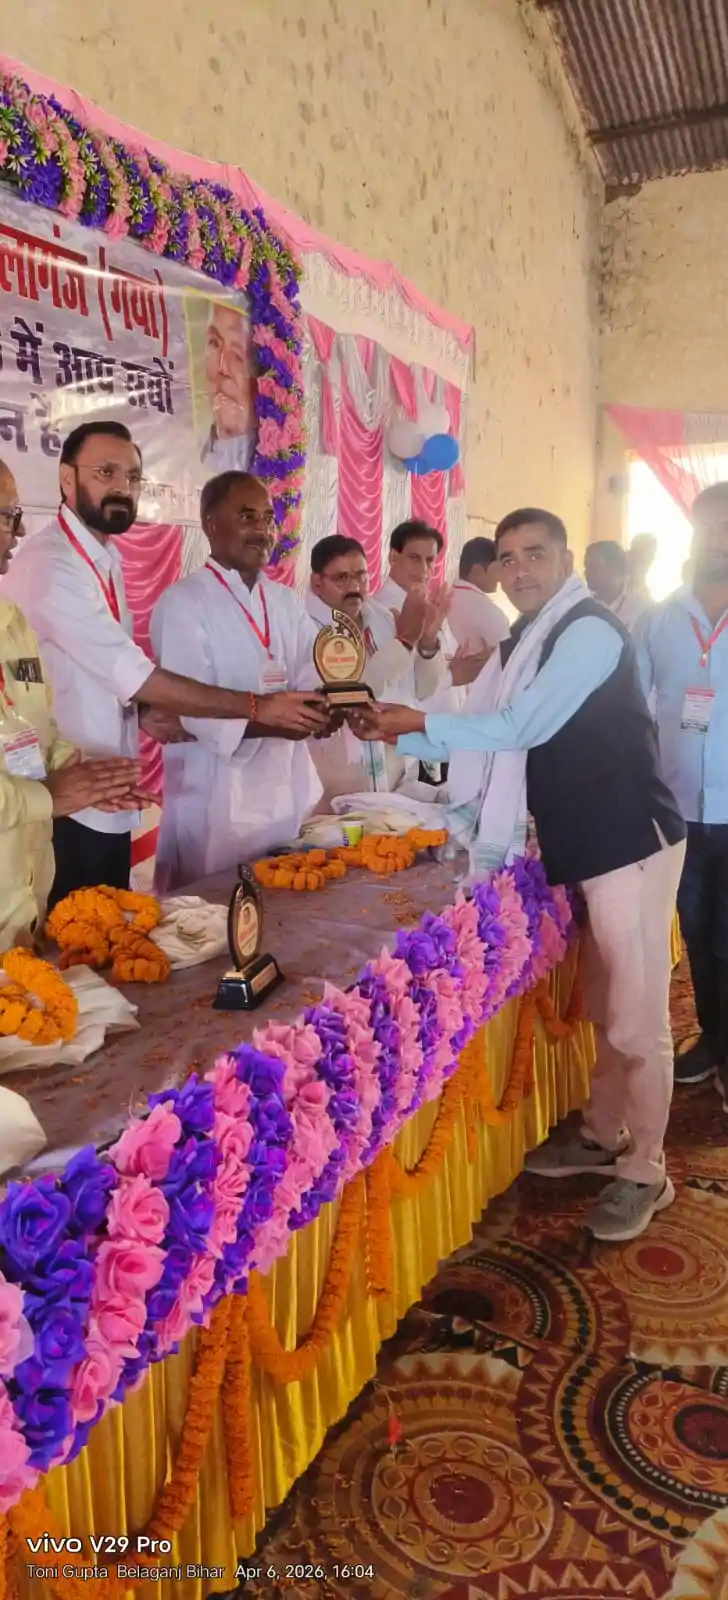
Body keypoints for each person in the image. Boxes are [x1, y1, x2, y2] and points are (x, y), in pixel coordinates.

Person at [352, 507, 686, 1243]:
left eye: (536, 553)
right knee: (606, 1001)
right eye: (507, 558)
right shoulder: (531, 635)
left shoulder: (589, 631)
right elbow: (486, 717)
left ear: (565, 559)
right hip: (587, 844)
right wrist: (411, 725)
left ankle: (648, 1170)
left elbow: (519, 728)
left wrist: (415, 724)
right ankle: (602, 1132)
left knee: (637, 1018)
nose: (520, 569)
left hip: (629, 841)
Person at [2, 422, 327, 902]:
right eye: (106, 472)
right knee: (77, 935)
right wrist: (260, 708)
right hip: (62, 795)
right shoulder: (52, 564)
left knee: (106, 928)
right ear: (67, 479)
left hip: (104, 785)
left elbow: (98, 675)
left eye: (133, 477)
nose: (122, 487)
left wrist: (142, 712)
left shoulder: (103, 560)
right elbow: (133, 674)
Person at [150, 472, 329, 889]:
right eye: (247, 517)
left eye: (268, 518)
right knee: (214, 915)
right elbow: (190, 709)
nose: (262, 530)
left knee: (288, 906)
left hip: (285, 794)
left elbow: (315, 670)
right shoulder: (183, 602)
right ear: (211, 524)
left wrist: (322, 708)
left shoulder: (285, 601)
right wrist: (282, 719)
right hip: (215, 802)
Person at [0, 461, 143, 948]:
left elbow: (35, 726)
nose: (18, 533)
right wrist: (51, 796)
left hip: (23, 899)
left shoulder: (11, 620)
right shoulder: (47, 567)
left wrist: (83, 777)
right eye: (7, 517)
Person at [634, 481, 728, 1103]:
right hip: (679, 813)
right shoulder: (660, 620)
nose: (717, 539)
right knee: (696, 932)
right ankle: (714, 1041)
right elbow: (633, 711)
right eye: (708, 526)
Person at [306, 533, 449, 803]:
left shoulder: (381, 616)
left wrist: (428, 642)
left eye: (361, 576)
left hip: (394, 777)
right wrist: (405, 640)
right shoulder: (306, 629)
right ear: (317, 583)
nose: (354, 587)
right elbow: (348, 698)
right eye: (341, 578)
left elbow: (424, 689)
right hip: (333, 788)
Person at [200, 301, 258, 473]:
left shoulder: (269, 460)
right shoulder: (190, 448)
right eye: (214, 343)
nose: (222, 367)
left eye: (238, 355)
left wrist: (233, 433)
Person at [449, 537, 510, 651]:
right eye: (496, 570)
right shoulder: (487, 611)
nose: (500, 578)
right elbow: (508, 657)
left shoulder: (444, 599)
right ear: (476, 570)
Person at [585, 539, 648, 630]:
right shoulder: (584, 604)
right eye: (586, 567)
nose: (587, 573)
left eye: (593, 567)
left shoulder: (641, 607)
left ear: (615, 568)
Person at [628, 532, 657, 605]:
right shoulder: (629, 571)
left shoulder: (640, 571)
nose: (652, 558)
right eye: (650, 553)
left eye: (653, 554)